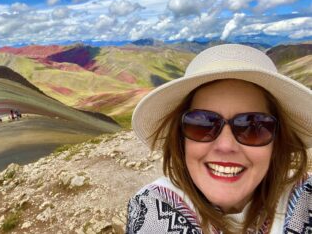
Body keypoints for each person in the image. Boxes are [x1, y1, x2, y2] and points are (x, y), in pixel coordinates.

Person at [127, 44, 311, 233]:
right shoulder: (153, 208)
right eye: (202, 124)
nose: (225, 145)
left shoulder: (305, 199)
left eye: (252, 127)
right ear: (180, 139)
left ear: (276, 141)